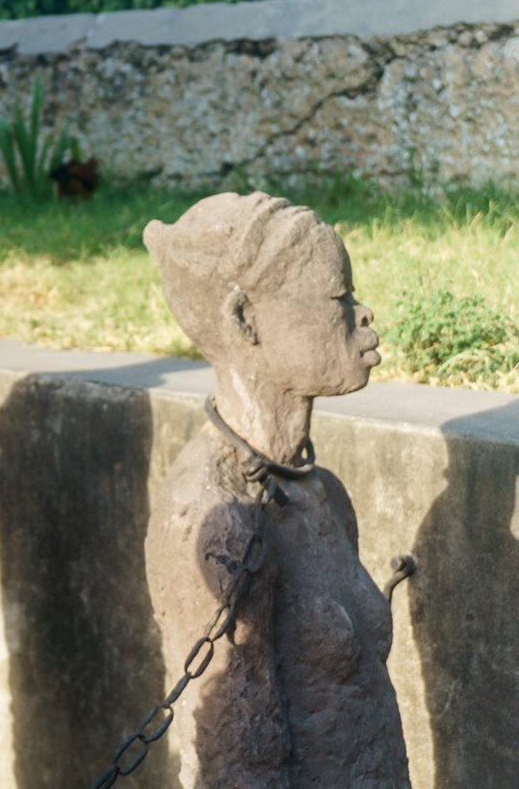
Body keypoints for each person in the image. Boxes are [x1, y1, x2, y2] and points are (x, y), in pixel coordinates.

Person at [140, 192, 410, 787]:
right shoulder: (216, 518)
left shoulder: (321, 495)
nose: (363, 314)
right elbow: (241, 765)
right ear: (246, 319)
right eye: (338, 299)